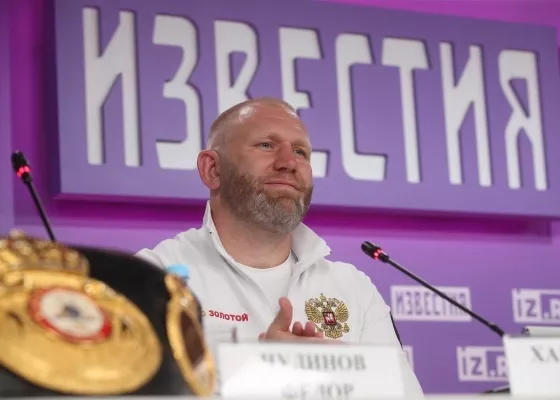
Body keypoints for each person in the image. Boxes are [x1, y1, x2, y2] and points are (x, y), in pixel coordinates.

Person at [135, 98, 423, 395]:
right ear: (213, 170)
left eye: (300, 152)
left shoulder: (353, 288)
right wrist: (262, 377)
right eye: (266, 145)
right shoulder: (151, 278)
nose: (289, 162)